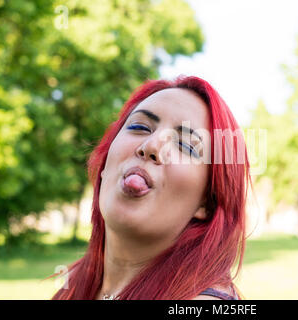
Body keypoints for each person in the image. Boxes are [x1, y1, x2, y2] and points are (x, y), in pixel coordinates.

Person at [52, 75, 253, 300]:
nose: (151, 146)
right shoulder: (74, 285)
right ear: (105, 163)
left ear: (207, 202)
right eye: (139, 126)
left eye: (185, 145)